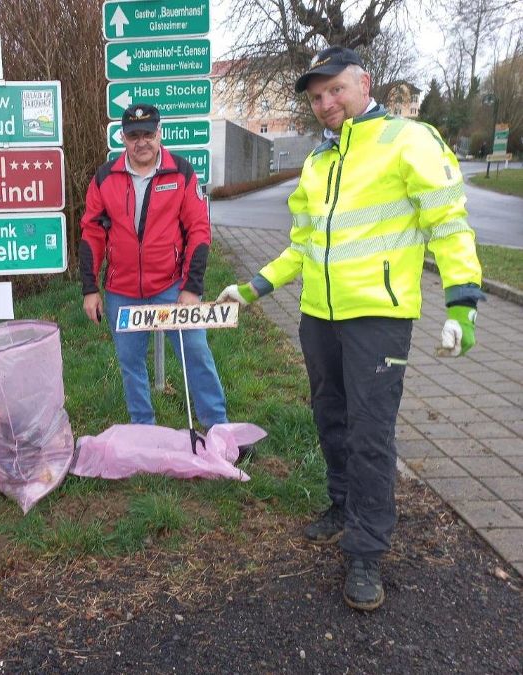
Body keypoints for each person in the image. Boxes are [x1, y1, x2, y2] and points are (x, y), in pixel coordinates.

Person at [216, 46, 484, 611]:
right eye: (316, 97)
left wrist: (463, 302)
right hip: (319, 315)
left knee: (370, 432)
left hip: (379, 319)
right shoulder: (318, 162)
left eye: (334, 89)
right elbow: (303, 246)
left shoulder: (410, 141)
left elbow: (449, 224)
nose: (326, 103)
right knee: (330, 417)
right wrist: (252, 288)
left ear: (364, 83)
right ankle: (342, 505)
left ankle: (366, 549)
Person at [80, 103, 228, 429]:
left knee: (196, 353)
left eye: (148, 134)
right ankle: (142, 428)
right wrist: (90, 289)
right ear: (123, 138)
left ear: (159, 133)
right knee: (131, 363)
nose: (141, 142)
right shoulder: (105, 178)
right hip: (122, 290)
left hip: (171, 287)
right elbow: (91, 233)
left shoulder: (182, 173)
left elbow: (199, 232)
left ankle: (218, 426)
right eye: (134, 136)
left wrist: (192, 288)